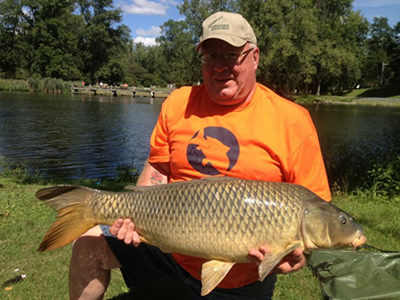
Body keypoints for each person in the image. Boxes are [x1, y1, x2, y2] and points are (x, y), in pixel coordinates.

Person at [69, 11, 331, 300]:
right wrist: (134, 219)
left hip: (242, 279)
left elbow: (314, 215)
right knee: (87, 244)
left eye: (231, 55)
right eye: (210, 56)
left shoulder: (292, 121)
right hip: (169, 250)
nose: (220, 66)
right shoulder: (179, 103)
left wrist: (297, 256)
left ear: (254, 57)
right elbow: (157, 171)